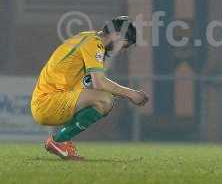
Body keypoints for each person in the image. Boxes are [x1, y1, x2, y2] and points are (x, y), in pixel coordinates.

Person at [31, 16, 148, 160]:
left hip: (48, 100)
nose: (122, 50)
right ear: (116, 36)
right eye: (124, 45)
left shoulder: (89, 38)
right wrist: (131, 94)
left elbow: (94, 83)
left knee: (106, 98)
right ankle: (59, 140)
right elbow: (99, 83)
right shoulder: (94, 44)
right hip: (47, 103)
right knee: (105, 100)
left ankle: (63, 140)